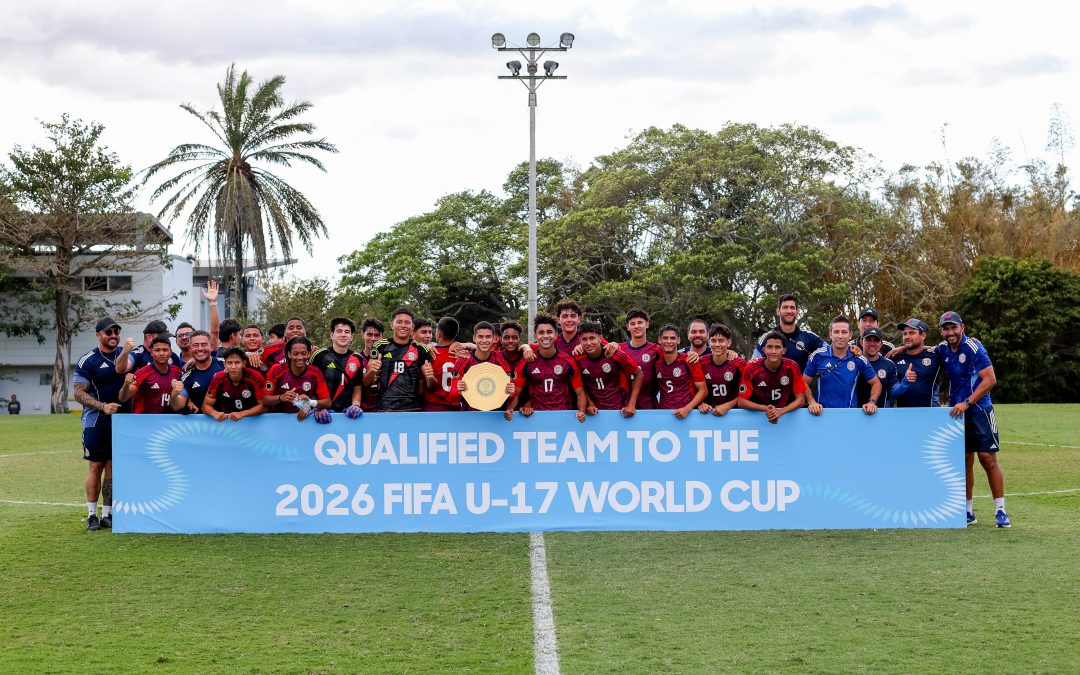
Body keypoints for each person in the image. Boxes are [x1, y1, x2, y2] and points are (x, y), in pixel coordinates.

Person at [936, 311, 1010, 527]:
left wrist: (967, 402)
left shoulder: (974, 348)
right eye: (946, 328)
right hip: (957, 414)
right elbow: (925, 351)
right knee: (964, 460)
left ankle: (1001, 510)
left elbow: (990, 379)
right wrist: (900, 349)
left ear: (962, 327)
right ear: (941, 331)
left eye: (954, 327)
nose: (950, 332)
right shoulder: (942, 349)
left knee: (987, 459)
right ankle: (968, 511)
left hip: (979, 410)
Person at [73, 317, 127, 531]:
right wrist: (102, 406)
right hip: (95, 421)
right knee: (96, 466)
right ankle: (91, 515)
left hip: (121, 421)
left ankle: (108, 514)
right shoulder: (88, 360)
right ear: (98, 335)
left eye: (116, 332)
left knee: (112, 468)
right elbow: (78, 392)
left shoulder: (125, 355)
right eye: (108, 332)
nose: (113, 336)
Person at [505, 313, 588, 422]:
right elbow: (515, 393)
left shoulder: (568, 361)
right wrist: (509, 409)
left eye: (549, 332)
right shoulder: (527, 361)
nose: (545, 336)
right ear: (535, 336)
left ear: (556, 335)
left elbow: (580, 393)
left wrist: (581, 411)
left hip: (564, 417)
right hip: (536, 418)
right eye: (541, 332)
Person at [802, 316, 881, 415]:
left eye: (844, 332)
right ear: (830, 334)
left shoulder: (858, 358)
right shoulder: (818, 355)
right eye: (836, 332)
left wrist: (872, 402)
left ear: (850, 335)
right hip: (822, 415)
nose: (840, 336)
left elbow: (876, 383)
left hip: (849, 416)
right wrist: (811, 402)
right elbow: (803, 382)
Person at [363, 307, 436, 412]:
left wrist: (430, 379)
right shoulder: (379, 346)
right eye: (399, 322)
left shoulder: (421, 349)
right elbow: (366, 383)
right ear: (392, 325)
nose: (403, 325)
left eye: (407, 322)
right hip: (385, 408)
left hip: (412, 409)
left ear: (412, 326)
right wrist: (372, 372)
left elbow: (432, 387)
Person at [737, 331, 807, 424]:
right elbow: (741, 402)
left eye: (777, 347)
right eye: (769, 347)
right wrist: (766, 409)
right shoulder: (751, 368)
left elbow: (801, 400)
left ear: (784, 350)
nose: (773, 351)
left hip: (786, 418)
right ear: (763, 350)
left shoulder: (792, 366)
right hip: (757, 419)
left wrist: (780, 412)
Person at [575, 322, 642, 417]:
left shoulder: (614, 354)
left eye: (592, 338)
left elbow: (638, 374)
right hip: (594, 413)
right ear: (580, 341)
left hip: (619, 410)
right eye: (584, 339)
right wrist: (589, 403)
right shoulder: (578, 358)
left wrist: (631, 405)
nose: (588, 343)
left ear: (600, 338)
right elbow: (581, 384)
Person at [452, 321, 520, 411]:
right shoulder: (463, 360)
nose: (484, 340)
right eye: (480, 337)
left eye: (488, 337)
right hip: (470, 416)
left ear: (493, 339)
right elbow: (452, 396)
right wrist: (458, 391)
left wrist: (511, 392)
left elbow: (511, 393)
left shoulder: (501, 360)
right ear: (474, 338)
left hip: (495, 417)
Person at [264, 336, 332, 422]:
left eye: (303, 353)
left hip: (304, 421)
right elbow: (266, 400)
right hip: (277, 421)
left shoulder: (315, 372)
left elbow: (327, 402)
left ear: (309, 353)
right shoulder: (277, 370)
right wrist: (281, 397)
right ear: (289, 354)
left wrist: (309, 403)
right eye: (295, 354)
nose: (300, 357)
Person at [752, 294, 825, 371]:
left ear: (797, 312)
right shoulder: (766, 338)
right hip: (772, 383)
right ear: (778, 311)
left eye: (792, 308)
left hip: (801, 382)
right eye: (785, 307)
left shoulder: (809, 337)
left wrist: (816, 355)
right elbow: (753, 365)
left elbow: (831, 351)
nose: (789, 311)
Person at [119, 336, 188, 414]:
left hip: (168, 421)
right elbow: (123, 398)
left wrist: (190, 401)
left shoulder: (177, 371)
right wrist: (126, 385)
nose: (161, 353)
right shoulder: (142, 373)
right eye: (157, 350)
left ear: (170, 352)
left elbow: (184, 393)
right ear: (151, 352)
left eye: (165, 350)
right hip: (146, 421)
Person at [310, 318, 364, 413]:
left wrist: (355, 405)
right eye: (339, 331)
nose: (343, 335)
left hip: (346, 414)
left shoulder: (358, 358)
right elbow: (311, 384)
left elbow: (357, 387)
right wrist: (315, 407)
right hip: (323, 412)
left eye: (347, 332)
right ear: (332, 335)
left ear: (351, 337)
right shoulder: (320, 355)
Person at [654, 323, 707, 419]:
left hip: (687, 414)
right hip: (663, 414)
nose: (669, 341)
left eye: (672, 338)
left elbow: (703, 390)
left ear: (678, 340)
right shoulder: (655, 361)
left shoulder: (689, 360)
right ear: (659, 340)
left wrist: (687, 409)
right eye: (665, 338)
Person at [889, 318, 944, 408]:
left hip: (929, 415)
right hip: (901, 416)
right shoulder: (895, 358)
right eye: (905, 334)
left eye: (911, 333)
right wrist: (905, 381)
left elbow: (950, 350)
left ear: (922, 336)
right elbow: (893, 392)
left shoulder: (935, 357)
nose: (906, 337)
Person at [203, 347, 266, 421]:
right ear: (224, 364)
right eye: (230, 363)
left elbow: (264, 406)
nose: (233, 367)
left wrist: (242, 414)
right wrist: (214, 413)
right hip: (228, 422)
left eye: (237, 362)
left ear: (244, 363)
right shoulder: (218, 378)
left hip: (253, 421)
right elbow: (205, 405)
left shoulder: (255, 377)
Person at [619, 308, 663, 411]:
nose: (636, 326)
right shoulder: (619, 349)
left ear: (647, 324)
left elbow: (675, 359)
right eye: (632, 323)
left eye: (640, 322)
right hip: (623, 406)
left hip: (648, 406)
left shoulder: (656, 350)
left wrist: (692, 354)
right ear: (627, 327)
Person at [698, 324, 745, 417]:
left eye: (721, 341)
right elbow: (693, 389)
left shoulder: (739, 364)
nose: (717, 344)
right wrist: (701, 403)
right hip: (707, 414)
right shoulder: (701, 362)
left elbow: (745, 393)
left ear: (729, 342)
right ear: (708, 342)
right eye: (713, 341)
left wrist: (727, 406)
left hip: (734, 414)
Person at [422, 317, 462, 411]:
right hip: (455, 408)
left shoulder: (430, 354)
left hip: (433, 406)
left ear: (439, 334)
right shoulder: (463, 354)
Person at [179, 330, 224, 413]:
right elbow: (181, 397)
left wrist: (250, 355)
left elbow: (240, 360)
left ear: (211, 346)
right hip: (201, 423)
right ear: (190, 348)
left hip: (230, 423)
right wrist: (187, 402)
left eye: (204, 345)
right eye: (196, 345)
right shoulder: (187, 376)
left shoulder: (225, 365)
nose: (200, 348)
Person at [855, 327, 898, 408]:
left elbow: (895, 391)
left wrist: (906, 383)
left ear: (881, 344)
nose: (872, 343)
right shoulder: (854, 362)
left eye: (876, 340)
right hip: (854, 414)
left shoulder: (889, 364)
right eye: (868, 340)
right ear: (861, 342)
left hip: (881, 415)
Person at [117, 320, 183, 373]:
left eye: (167, 337)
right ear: (149, 337)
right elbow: (121, 369)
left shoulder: (171, 355)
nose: (165, 340)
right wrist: (125, 352)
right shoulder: (138, 354)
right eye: (162, 337)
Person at [357, 317, 385, 412]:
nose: (373, 338)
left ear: (382, 336)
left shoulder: (389, 358)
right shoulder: (356, 359)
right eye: (369, 334)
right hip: (362, 412)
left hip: (384, 411)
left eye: (377, 335)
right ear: (362, 335)